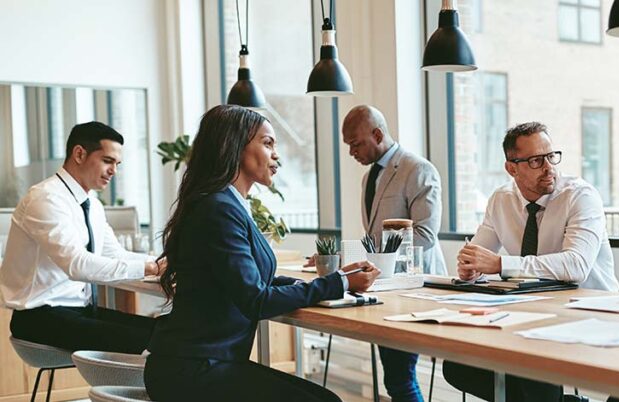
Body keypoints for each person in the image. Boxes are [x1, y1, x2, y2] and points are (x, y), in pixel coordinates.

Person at [144, 105, 380, 402]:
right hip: (193, 369)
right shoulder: (219, 208)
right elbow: (255, 300)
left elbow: (249, 280)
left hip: (204, 362)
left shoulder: (225, 204)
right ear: (235, 147)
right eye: (267, 143)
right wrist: (339, 283)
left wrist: (325, 281)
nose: (276, 155)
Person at [443, 121, 618, 402]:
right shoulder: (501, 200)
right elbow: (477, 254)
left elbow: (576, 266)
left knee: (529, 365)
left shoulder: (581, 197)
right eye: (536, 161)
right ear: (512, 168)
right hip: (530, 312)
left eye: (551, 156)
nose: (549, 167)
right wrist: (469, 267)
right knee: (458, 366)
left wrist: (501, 264)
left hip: (588, 312)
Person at [1, 121, 162, 354]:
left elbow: (114, 253)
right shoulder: (45, 199)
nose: (114, 171)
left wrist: (158, 263)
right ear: (79, 154)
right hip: (38, 317)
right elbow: (77, 265)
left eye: (117, 164)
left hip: (78, 310)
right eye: (107, 161)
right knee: (151, 339)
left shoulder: (93, 205)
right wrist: (149, 268)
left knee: (164, 330)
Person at [339, 104, 446, 402]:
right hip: (384, 292)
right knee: (395, 378)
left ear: (377, 134)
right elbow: (375, 239)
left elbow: (424, 235)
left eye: (356, 144)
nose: (351, 153)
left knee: (400, 378)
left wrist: (381, 262)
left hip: (414, 289)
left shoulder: (418, 169)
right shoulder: (368, 177)